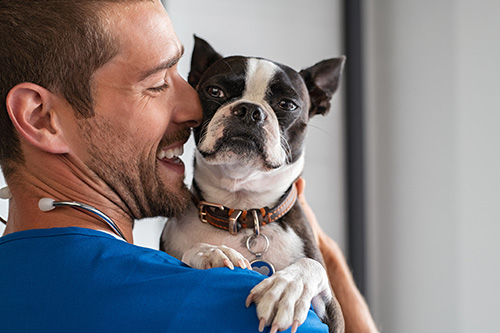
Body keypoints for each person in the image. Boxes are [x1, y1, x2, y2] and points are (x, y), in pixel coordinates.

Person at [0, 0, 377, 332]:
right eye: (157, 83)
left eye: (185, 77)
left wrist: (320, 253)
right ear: (42, 118)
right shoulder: (250, 308)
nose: (195, 109)